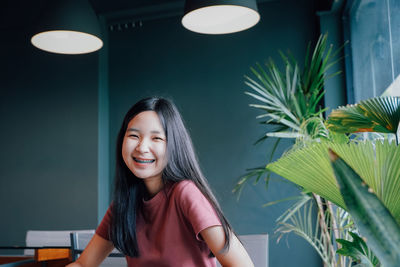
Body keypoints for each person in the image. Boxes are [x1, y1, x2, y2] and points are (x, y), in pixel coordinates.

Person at [67, 97, 254, 267]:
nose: (142, 147)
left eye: (156, 138)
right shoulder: (124, 203)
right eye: (134, 136)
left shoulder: (185, 192)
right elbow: (83, 265)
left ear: (173, 146)